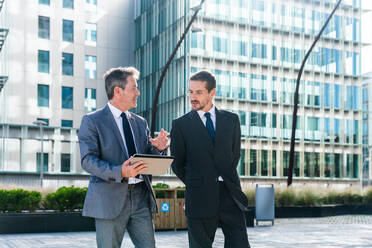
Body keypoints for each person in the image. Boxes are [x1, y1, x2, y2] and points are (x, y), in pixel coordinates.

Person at [78, 67, 168, 248]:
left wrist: (158, 149)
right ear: (117, 91)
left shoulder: (140, 122)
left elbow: (147, 157)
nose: (138, 92)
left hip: (140, 197)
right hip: (109, 200)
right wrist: (120, 171)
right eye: (134, 88)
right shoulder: (92, 121)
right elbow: (88, 160)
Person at [170, 70, 250, 248]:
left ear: (212, 92)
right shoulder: (180, 125)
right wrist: (198, 181)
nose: (193, 97)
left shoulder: (231, 120)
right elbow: (178, 165)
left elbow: (234, 155)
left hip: (231, 195)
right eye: (190, 92)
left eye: (198, 92)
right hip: (199, 197)